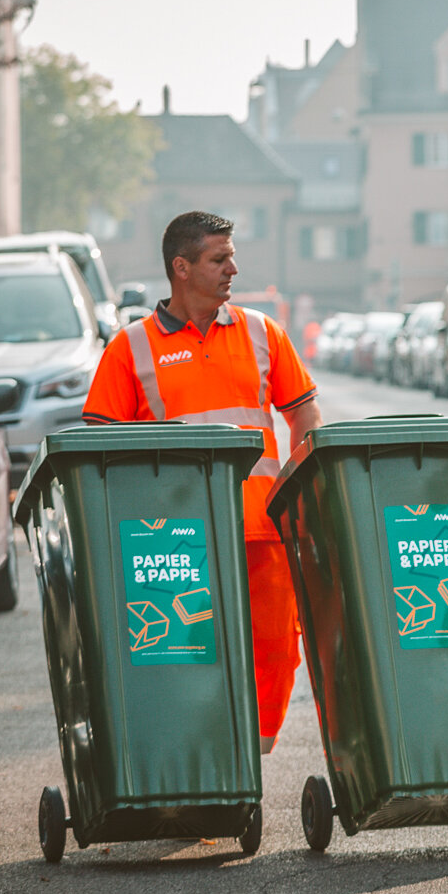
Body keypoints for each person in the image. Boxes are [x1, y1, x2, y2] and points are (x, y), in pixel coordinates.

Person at [81, 211, 322, 753]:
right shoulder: (130, 349)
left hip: (263, 530)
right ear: (182, 268)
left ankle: (251, 756)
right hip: (174, 540)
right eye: (220, 258)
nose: (233, 268)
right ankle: (193, 754)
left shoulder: (263, 333)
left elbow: (305, 414)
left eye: (231, 256)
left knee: (275, 646)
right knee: (185, 648)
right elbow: (99, 447)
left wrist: (294, 485)